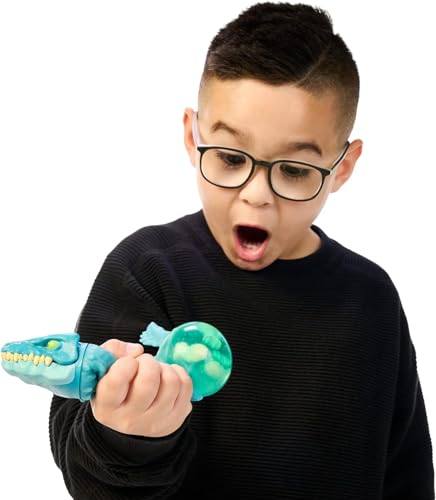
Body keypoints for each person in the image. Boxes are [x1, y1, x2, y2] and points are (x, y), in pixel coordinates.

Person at [49, 2, 434, 499]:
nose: (256, 195)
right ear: (193, 138)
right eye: (231, 158)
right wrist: (125, 435)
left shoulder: (372, 299)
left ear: (342, 167)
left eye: (294, 170)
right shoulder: (147, 271)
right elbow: (84, 474)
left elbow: (408, 474)